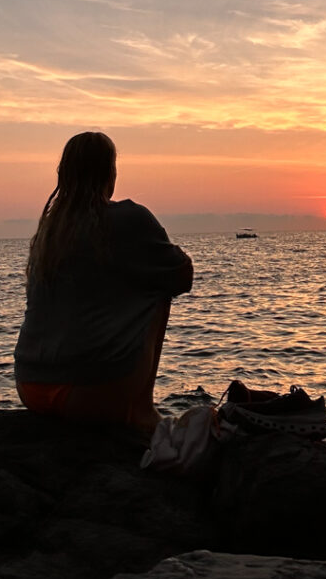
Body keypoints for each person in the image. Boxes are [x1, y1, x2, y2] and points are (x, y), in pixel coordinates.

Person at [13, 131, 193, 437]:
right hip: (90, 397)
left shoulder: (50, 232)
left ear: (64, 175)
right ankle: (141, 409)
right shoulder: (130, 218)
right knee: (160, 287)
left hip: (30, 388)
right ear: (110, 173)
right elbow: (182, 275)